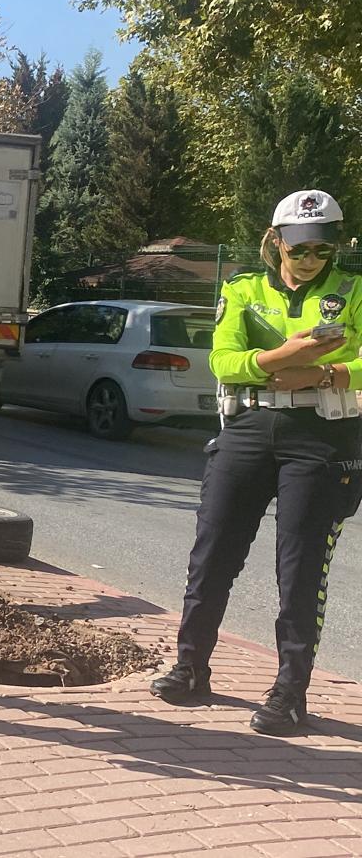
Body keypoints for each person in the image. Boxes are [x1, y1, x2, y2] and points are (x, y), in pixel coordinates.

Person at [152, 189, 362, 736]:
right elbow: (222, 360)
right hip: (246, 427)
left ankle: (290, 692)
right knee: (212, 553)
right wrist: (281, 358)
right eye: (299, 249)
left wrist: (326, 374)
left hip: (323, 433)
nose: (311, 259)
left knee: (300, 567)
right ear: (276, 241)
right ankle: (191, 666)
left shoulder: (354, 292)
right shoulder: (241, 289)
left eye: (323, 248)